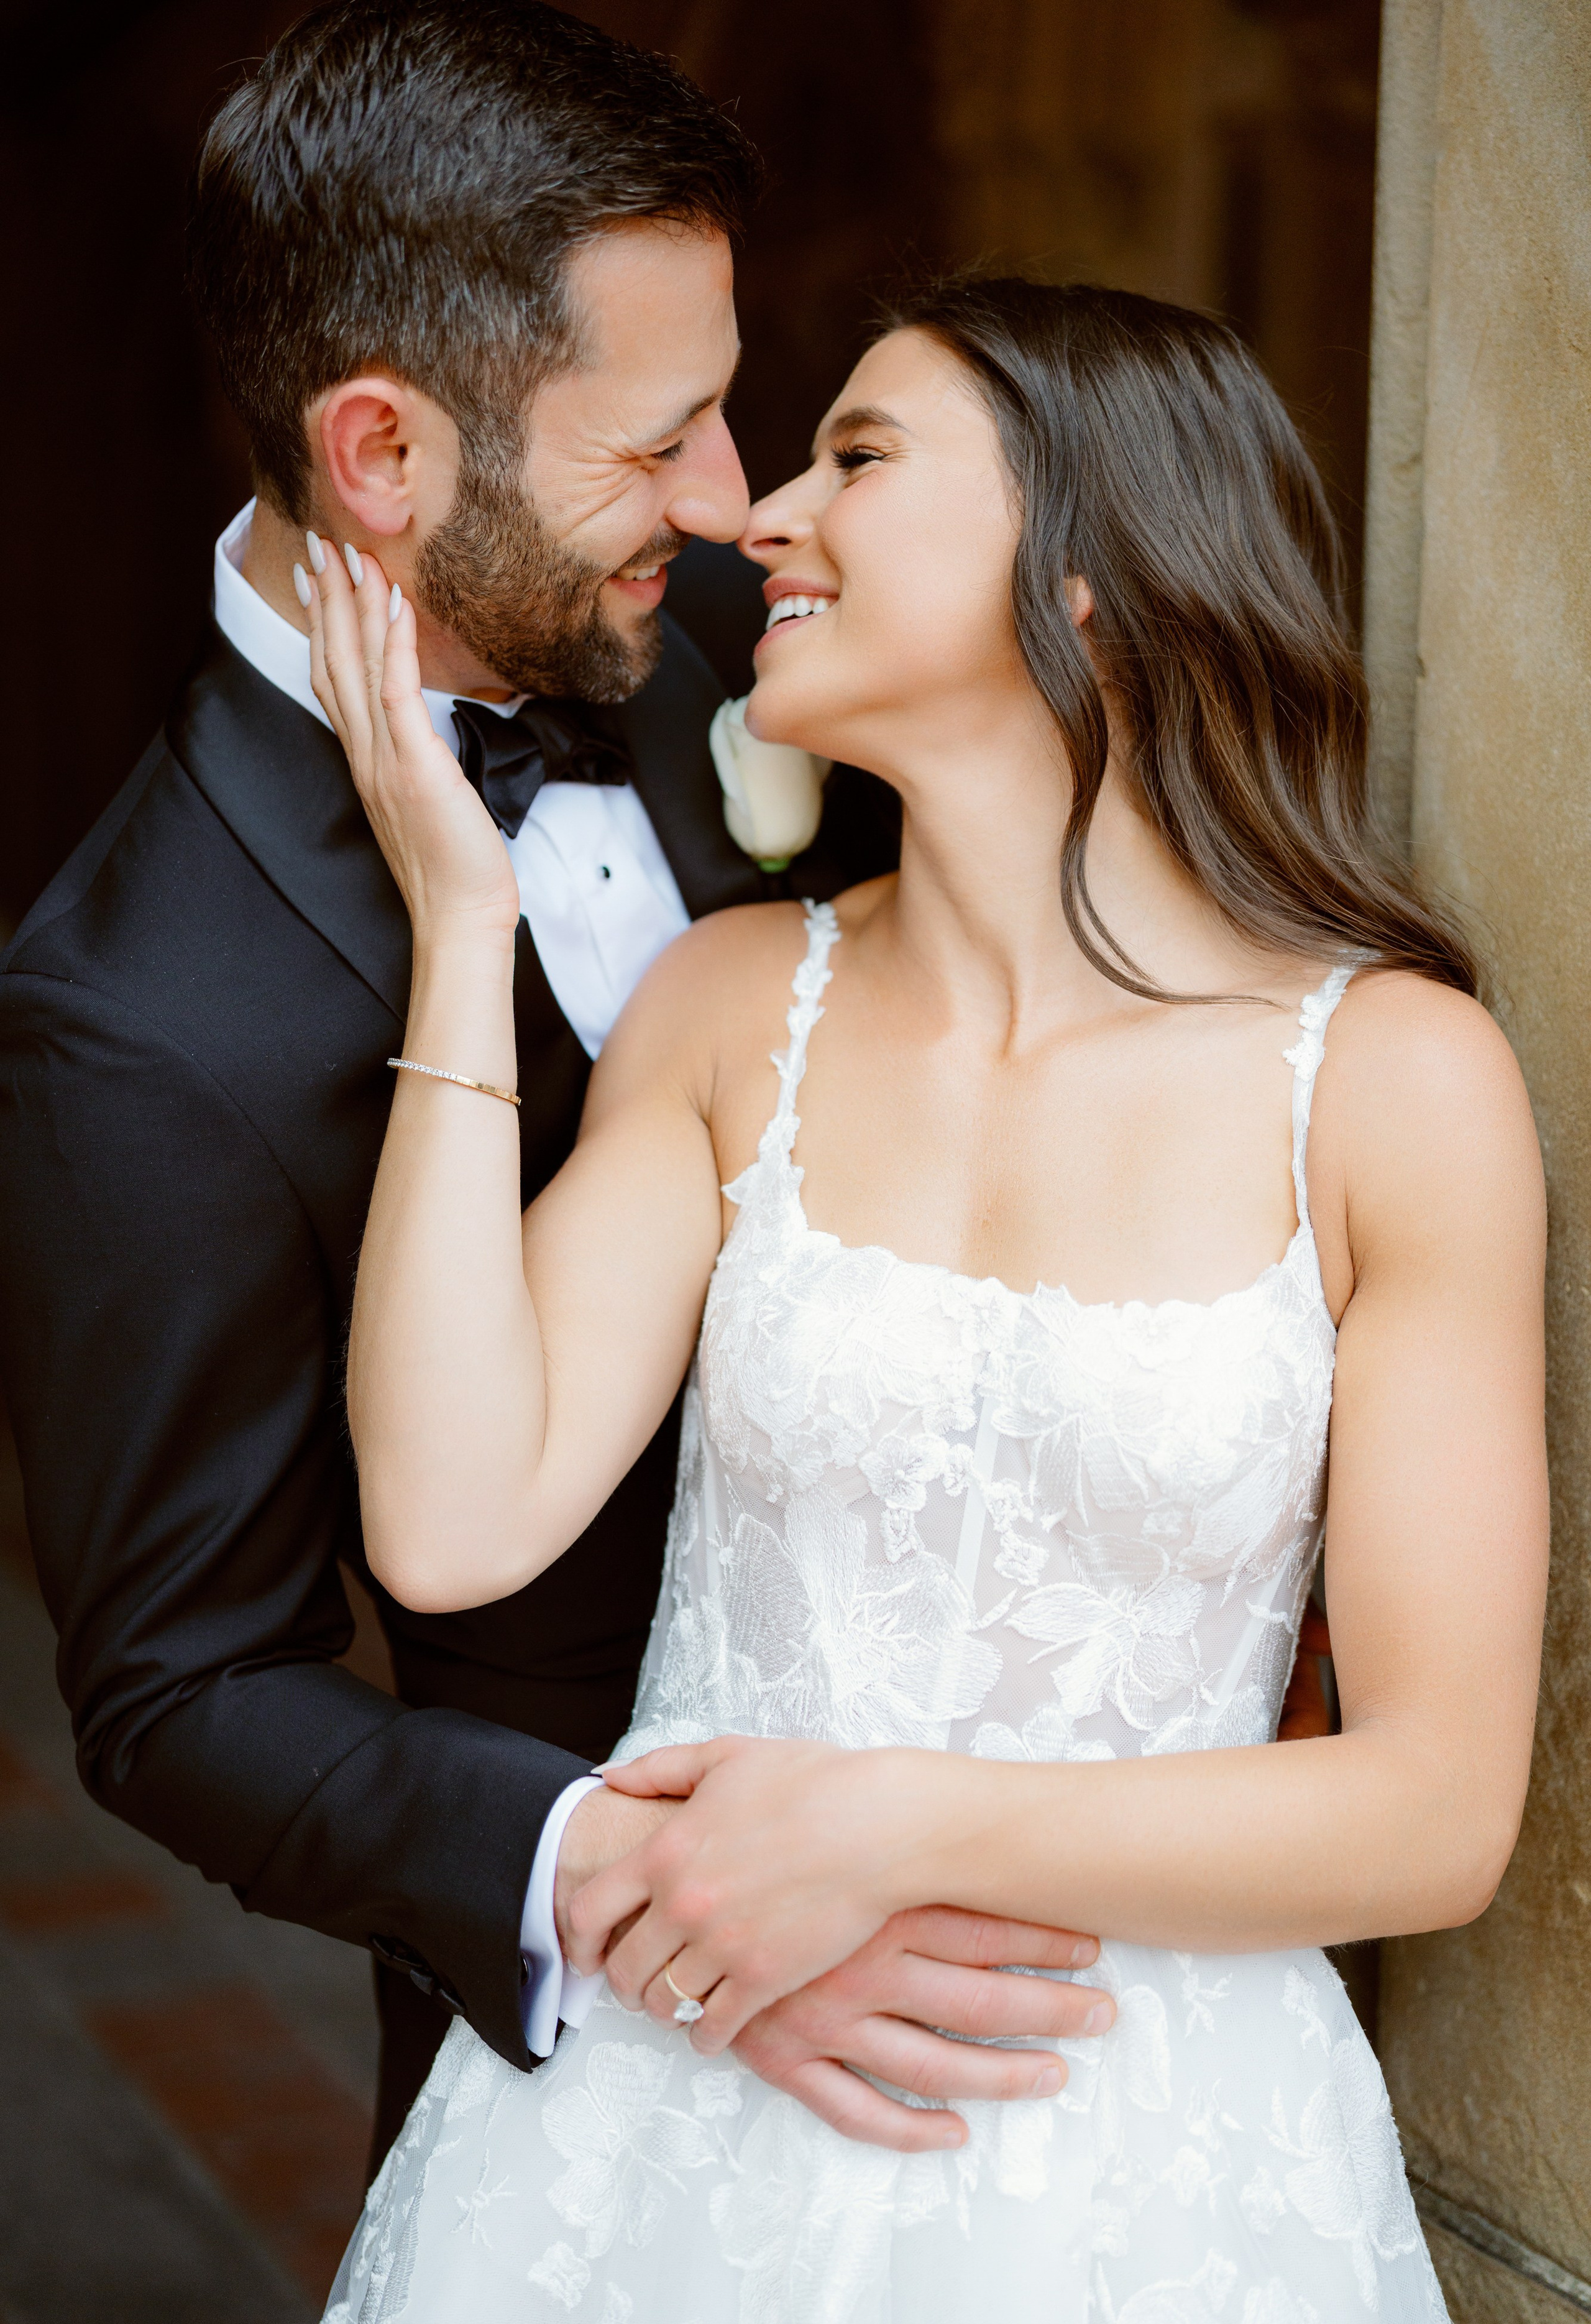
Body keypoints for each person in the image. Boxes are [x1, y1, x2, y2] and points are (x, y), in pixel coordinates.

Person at [303, 278, 1547, 2324]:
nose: (761, 513)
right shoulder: (724, 1007)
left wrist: (891, 1828)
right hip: (661, 2138)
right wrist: (458, 923)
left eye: (859, 459)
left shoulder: (1395, 1081)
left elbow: (1436, 1808)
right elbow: (444, 1520)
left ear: (1089, 566)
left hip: (1152, 2182)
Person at [0, 0, 1116, 2185]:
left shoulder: (724, 654)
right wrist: (626, 1874)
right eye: (663, 438)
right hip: (631, 2049)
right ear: (385, 458)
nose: (731, 505)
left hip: (1057, 1910)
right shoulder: (133, 1019)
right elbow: (178, 1690)